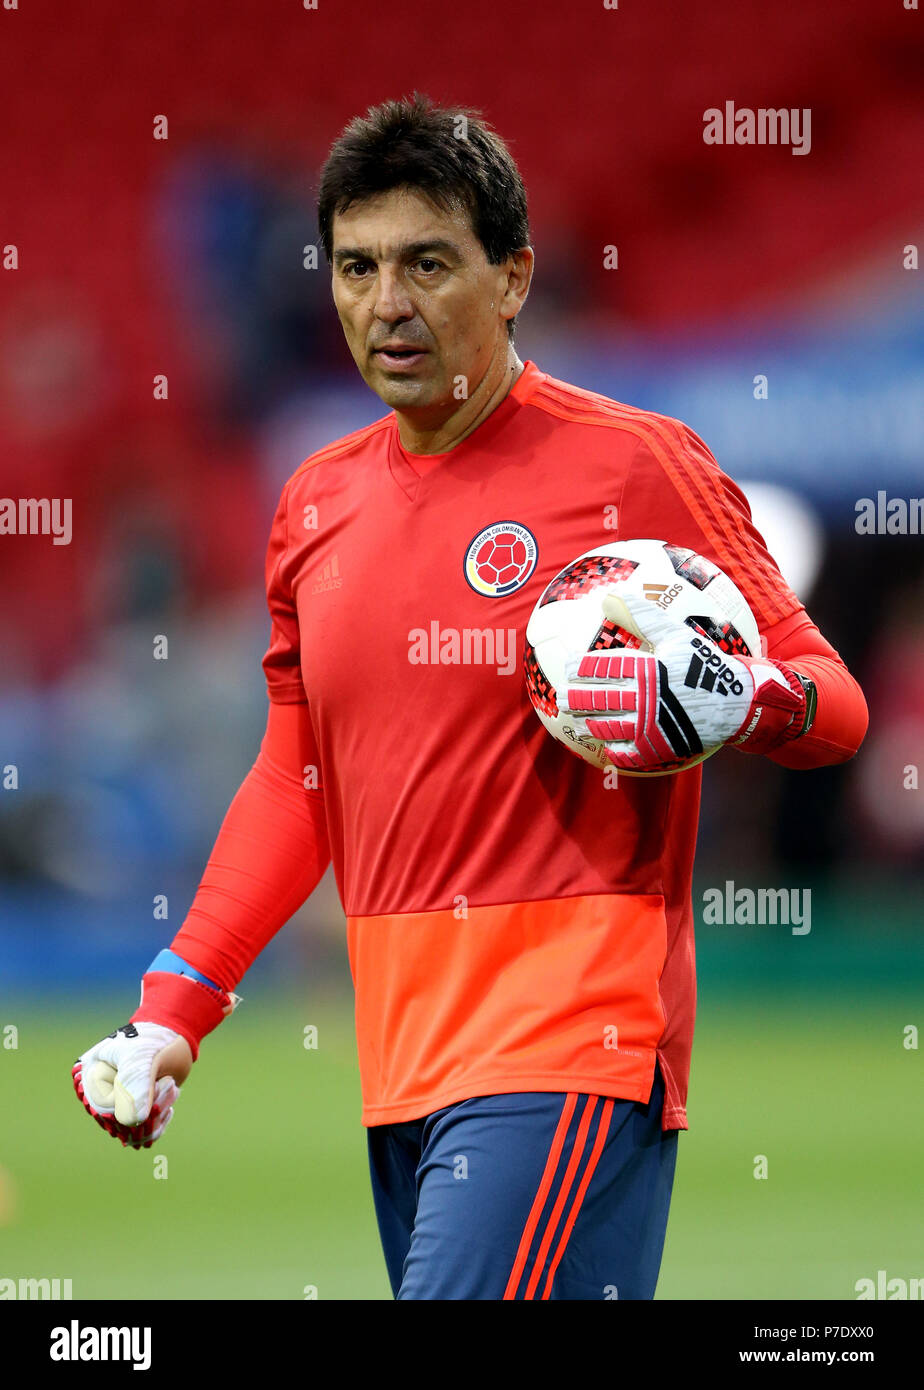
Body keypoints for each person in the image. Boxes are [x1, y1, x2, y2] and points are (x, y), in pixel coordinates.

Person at [72, 93, 868, 1300]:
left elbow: (832, 701)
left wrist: (740, 699)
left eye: (427, 264)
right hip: (406, 1062)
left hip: (574, 1042)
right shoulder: (312, 505)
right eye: (357, 266)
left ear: (512, 278)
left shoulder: (636, 464)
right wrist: (176, 1005)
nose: (386, 303)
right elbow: (301, 781)